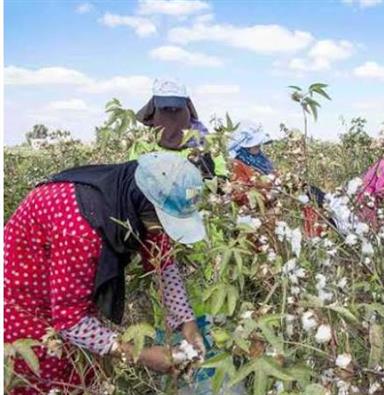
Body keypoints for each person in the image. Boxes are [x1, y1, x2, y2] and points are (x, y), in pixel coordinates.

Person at [4, 152, 207, 394]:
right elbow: (70, 319)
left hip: (70, 291)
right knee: (49, 378)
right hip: (24, 304)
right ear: (142, 206)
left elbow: (163, 264)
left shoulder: (132, 199)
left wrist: (188, 323)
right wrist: (139, 354)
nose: (161, 231)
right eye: (161, 223)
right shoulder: (81, 228)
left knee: (84, 372)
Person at [133, 78, 226, 180]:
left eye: (177, 110)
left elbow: (223, 182)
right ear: (154, 111)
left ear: (188, 110)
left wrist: (211, 176)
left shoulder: (205, 144)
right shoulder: (144, 145)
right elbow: (131, 180)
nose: (172, 116)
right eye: (166, 110)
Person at [227, 125, 276, 208]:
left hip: (271, 207)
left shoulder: (262, 159)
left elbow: (273, 174)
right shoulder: (238, 164)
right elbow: (239, 194)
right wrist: (266, 196)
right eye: (255, 145)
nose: (258, 146)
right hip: (253, 211)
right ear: (246, 147)